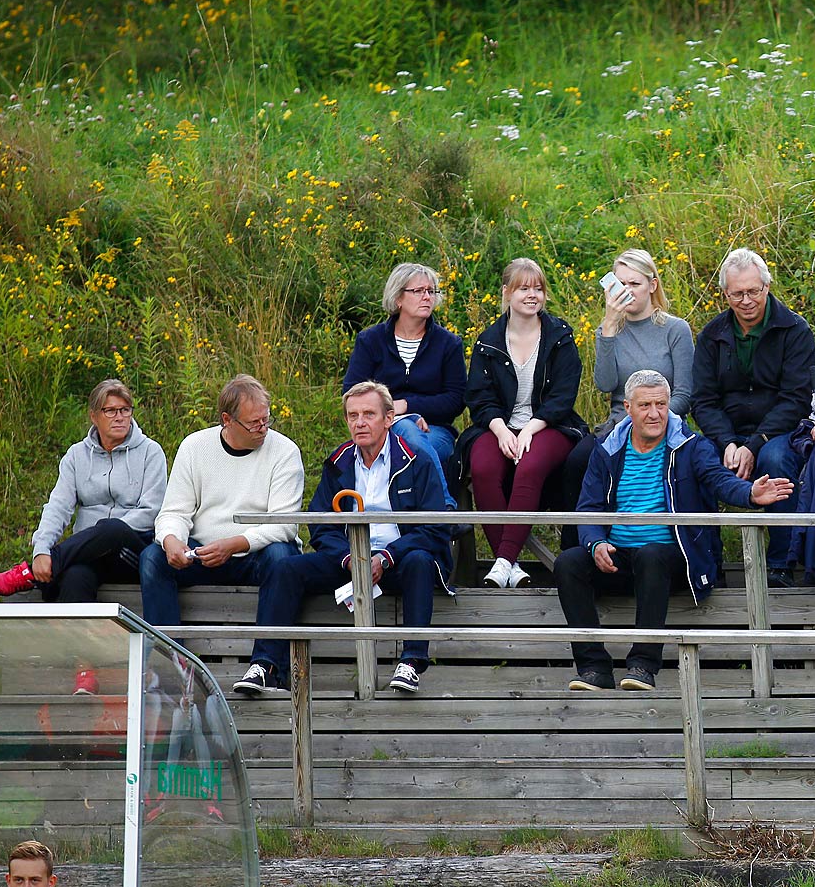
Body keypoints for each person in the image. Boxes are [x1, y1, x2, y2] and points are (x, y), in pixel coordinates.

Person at [561, 371, 794, 691]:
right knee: (569, 562)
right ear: (627, 407)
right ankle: (593, 669)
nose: (654, 413)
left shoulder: (691, 446)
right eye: (645, 405)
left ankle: (642, 665)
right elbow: (588, 508)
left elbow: (719, 481)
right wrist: (596, 543)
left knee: (651, 554)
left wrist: (750, 494)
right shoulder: (607, 450)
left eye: (661, 404)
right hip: (617, 556)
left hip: (674, 559)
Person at [234, 382, 456, 698]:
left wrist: (386, 557)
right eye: (352, 415)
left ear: (389, 418)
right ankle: (265, 665)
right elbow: (321, 525)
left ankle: (411, 661)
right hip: (350, 559)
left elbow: (434, 528)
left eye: (368, 414)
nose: (359, 422)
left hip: (399, 559)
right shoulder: (338, 461)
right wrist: (349, 558)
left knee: (420, 561)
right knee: (286, 568)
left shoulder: (416, 460)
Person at [0, 380, 166, 640]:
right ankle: (84, 669)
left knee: (112, 528)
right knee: (74, 577)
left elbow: (152, 511)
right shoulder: (76, 456)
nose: (120, 417)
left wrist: (99, 533)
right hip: (87, 555)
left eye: (125, 410)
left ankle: (28, 574)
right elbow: (57, 507)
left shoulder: (151, 452)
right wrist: (41, 550)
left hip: (130, 551)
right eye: (111, 411)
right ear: (94, 416)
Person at [689, 247, 815, 587]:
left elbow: (796, 398)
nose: (746, 300)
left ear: (767, 286)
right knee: (694, 459)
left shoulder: (795, 330)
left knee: (777, 460)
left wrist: (755, 443)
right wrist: (727, 441)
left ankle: (781, 565)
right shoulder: (711, 335)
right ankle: (705, 565)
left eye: (753, 291)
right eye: (737, 293)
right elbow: (703, 399)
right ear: (725, 293)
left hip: (778, 431)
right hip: (727, 433)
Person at [138, 374, 304, 627]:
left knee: (281, 555)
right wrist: (171, 540)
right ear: (227, 420)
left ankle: (266, 663)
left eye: (266, 419)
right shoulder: (194, 447)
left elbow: (284, 525)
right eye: (253, 423)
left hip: (255, 556)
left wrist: (234, 544)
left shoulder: (285, 451)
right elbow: (174, 511)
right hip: (203, 553)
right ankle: (171, 660)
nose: (263, 429)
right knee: (153, 558)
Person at [462, 257, 587, 588]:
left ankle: (502, 561)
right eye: (523, 288)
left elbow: (563, 396)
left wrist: (531, 427)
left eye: (538, 288)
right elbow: (479, 397)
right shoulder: (488, 342)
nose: (533, 295)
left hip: (550, 426)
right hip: (498, 425)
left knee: (529, 465)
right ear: (507, 292)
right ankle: (513, 565)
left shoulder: (560, 337)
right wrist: (501, 430)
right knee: (484, 466)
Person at [575, 248, 696, 489]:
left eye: (634, 283)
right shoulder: (608, 330)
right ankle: (585, 526)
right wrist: (608, 326)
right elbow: (605, 385)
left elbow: (685, 394)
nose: (626, 291)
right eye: (620, 284)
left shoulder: (675, 329)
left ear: (652, 285)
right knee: (576, 462)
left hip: (664, 421)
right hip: (620, 424)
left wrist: (651, 418)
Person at [341, 262, 466, 474]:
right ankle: (443, 505)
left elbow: (456, 400)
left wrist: (407, 405)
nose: (427, 297)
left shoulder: (448, 344)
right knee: (408, 437)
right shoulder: (371, 341)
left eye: (431, 291)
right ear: (398, 298)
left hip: (435, 430)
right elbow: (352, 392)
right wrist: (397, 415)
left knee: (416, 449)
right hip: (381, 428)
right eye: (418, 291)